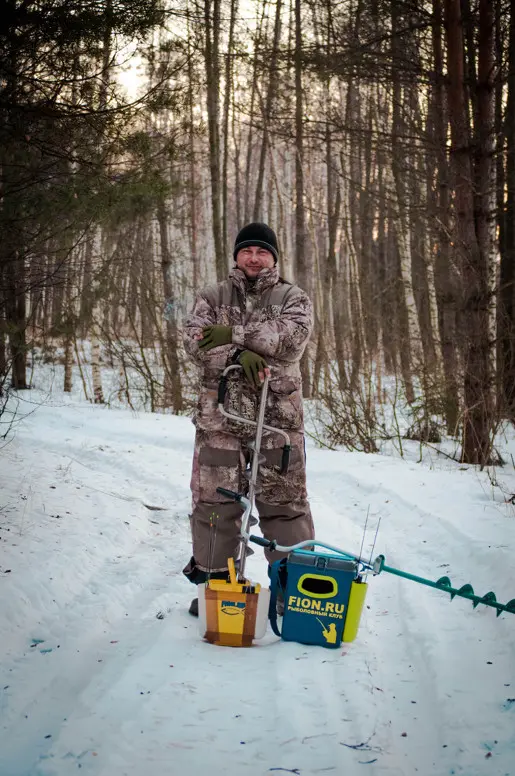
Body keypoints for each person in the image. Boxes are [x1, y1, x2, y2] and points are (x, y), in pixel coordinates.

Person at [182, 222, 315, 616]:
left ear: (273, 257)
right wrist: (240, 354)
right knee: (215, 505)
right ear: (236, 256)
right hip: (219, 420)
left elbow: (289, 340)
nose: (254, 258)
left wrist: (232, 334)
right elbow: (196, 343)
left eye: (262, 251)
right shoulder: (210, 296)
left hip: (278, 422)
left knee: (284, 503)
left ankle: (294, 595)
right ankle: (216, 592)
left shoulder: (294, 297)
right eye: (247, 251)